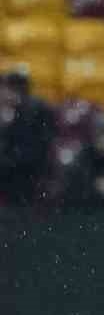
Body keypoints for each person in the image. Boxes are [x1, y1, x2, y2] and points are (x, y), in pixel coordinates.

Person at [0, 67, 56, 211]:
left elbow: (38, 146)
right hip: (14, 169)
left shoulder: (35, 109)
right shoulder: (10, 110)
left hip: (27, 173)